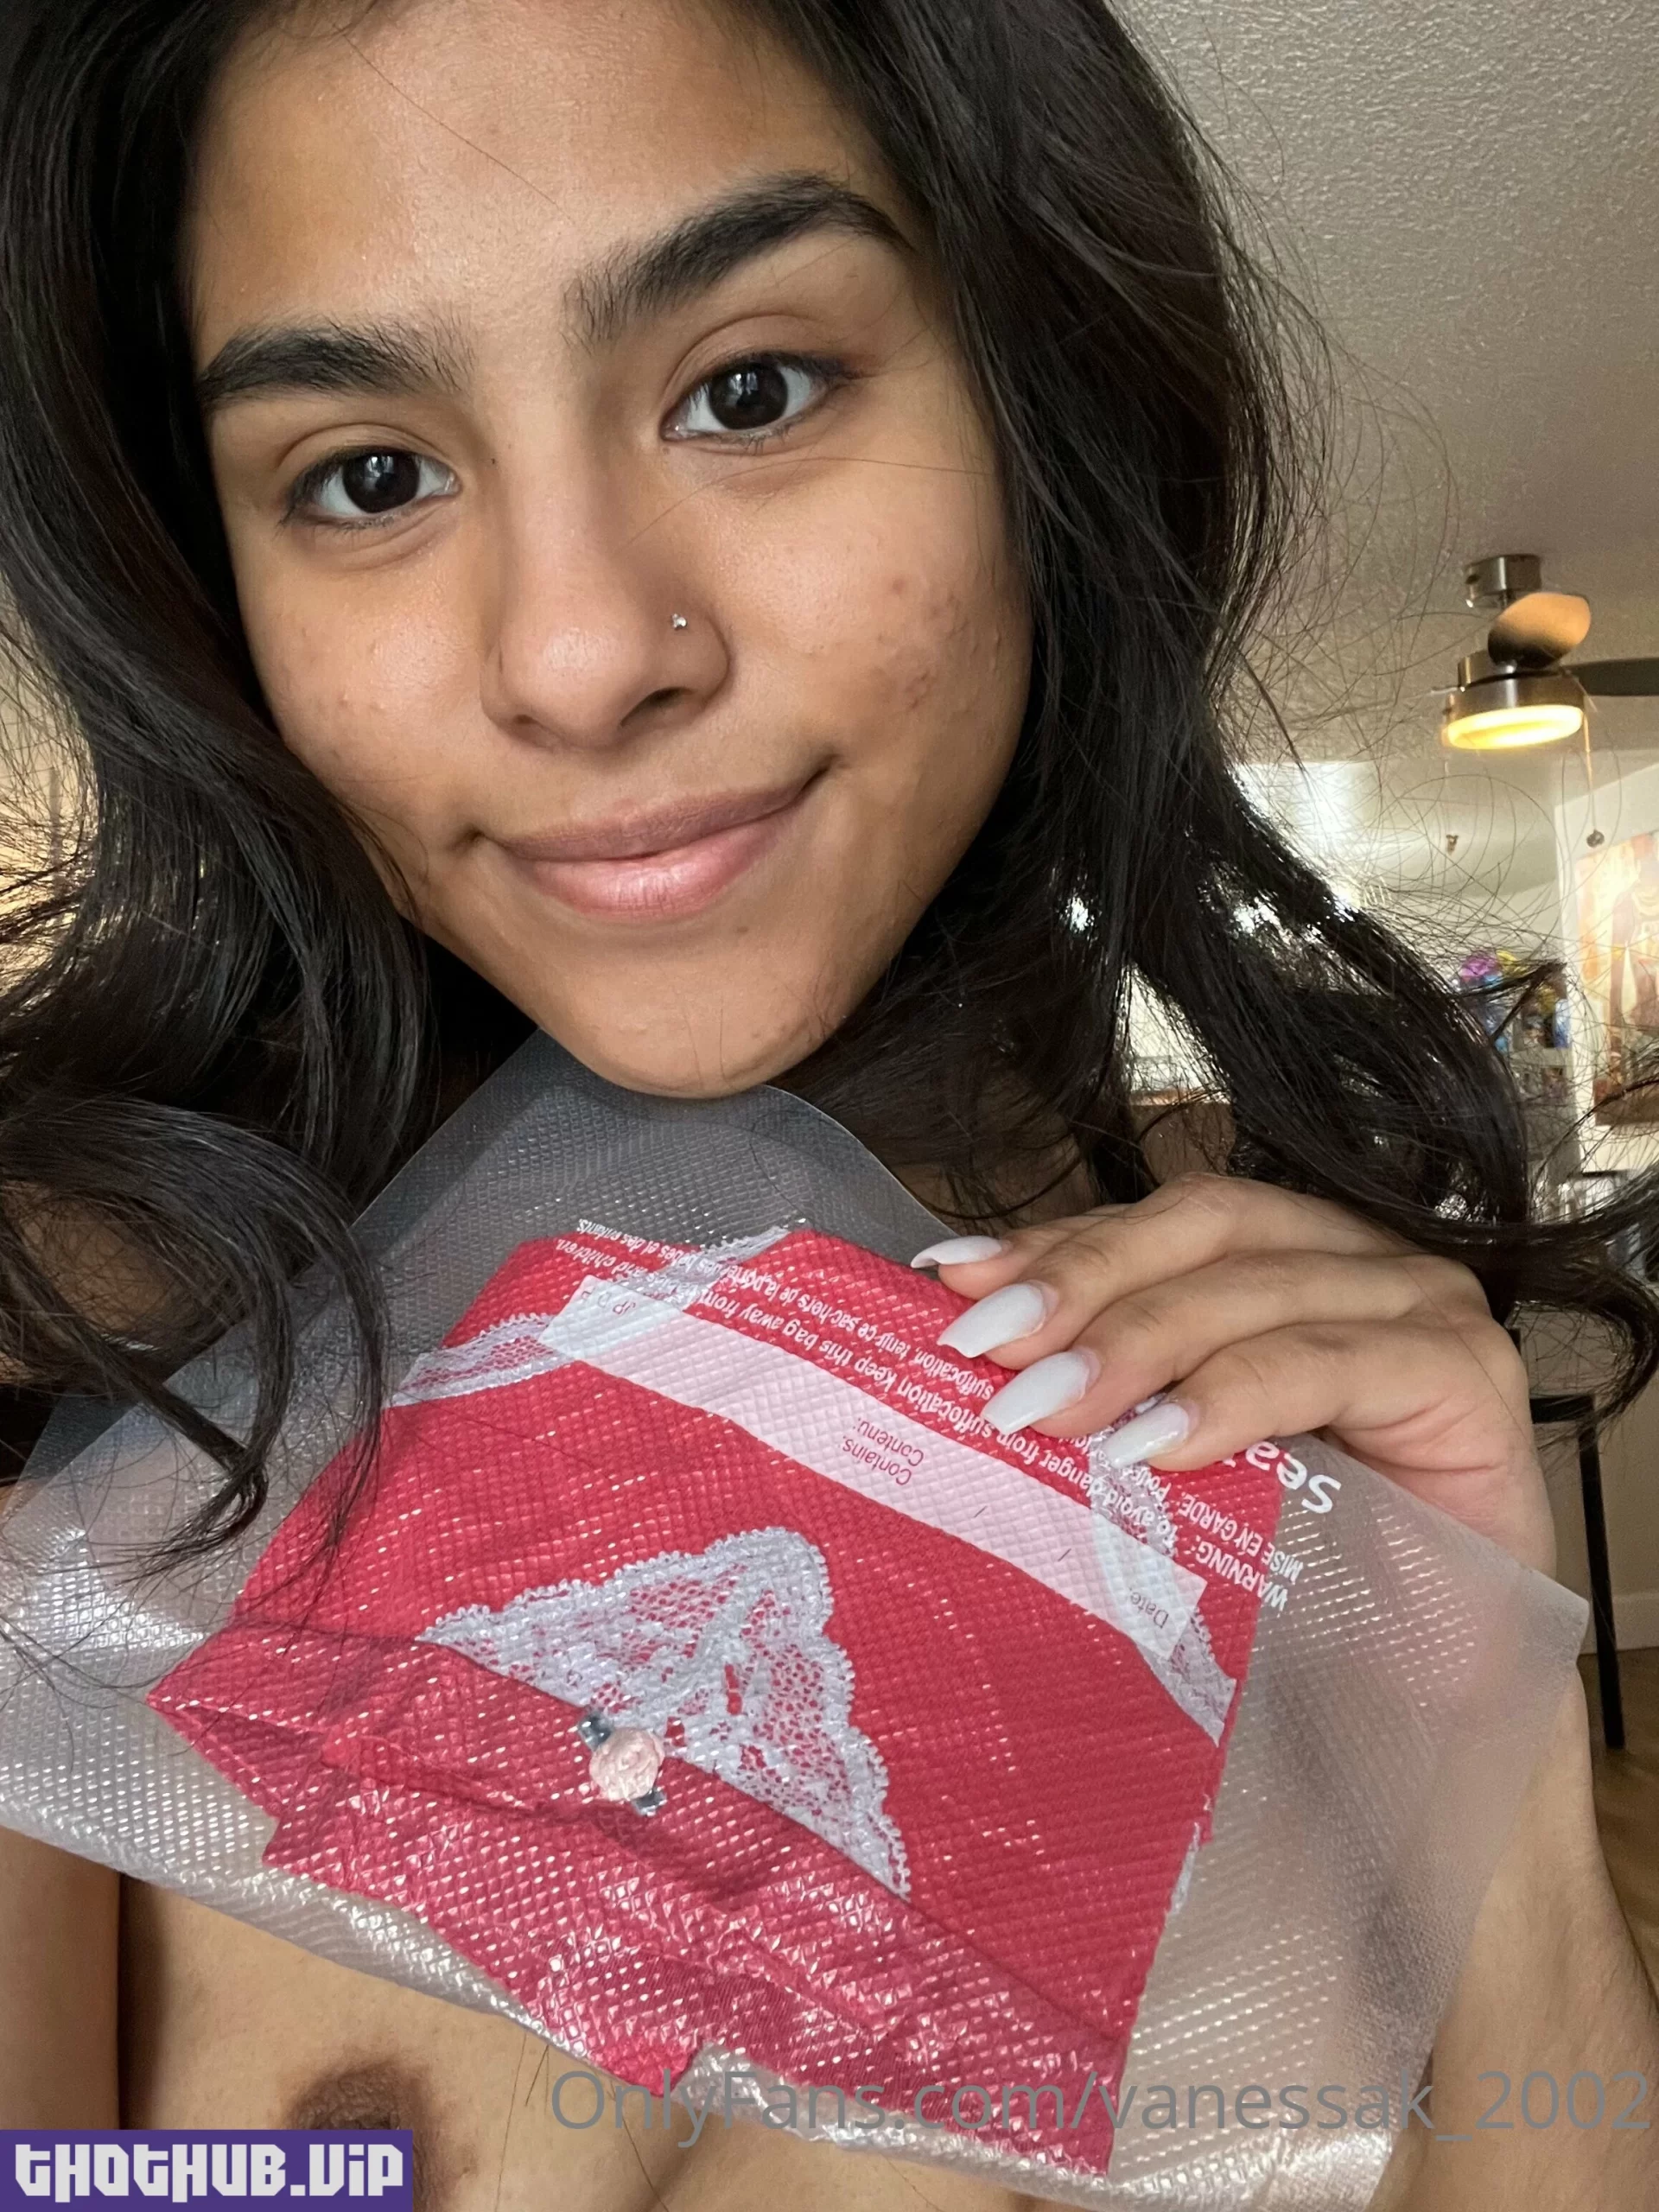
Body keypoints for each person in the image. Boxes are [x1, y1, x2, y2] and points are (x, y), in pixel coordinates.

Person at [0, 0, 1655, 2203]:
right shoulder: (87, 1393)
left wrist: (1486, 1720)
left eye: (750, 388)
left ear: (1040, 412)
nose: (581, 653)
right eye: (368, 476)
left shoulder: (1284, 1370)